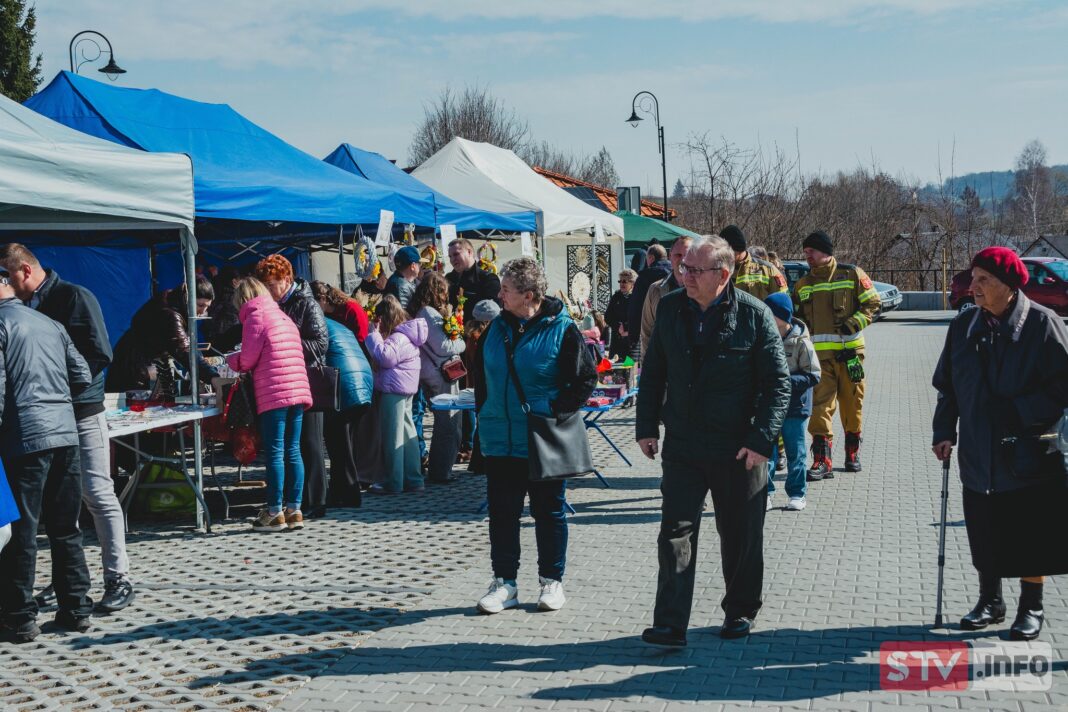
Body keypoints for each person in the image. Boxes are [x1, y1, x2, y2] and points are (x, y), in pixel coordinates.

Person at [636, 236, 790, 646]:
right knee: (675, 533)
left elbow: (778, 386)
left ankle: (740, 610)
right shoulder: (670, 308)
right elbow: (652, 373)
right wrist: (646, 426)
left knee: (740, 535)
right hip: (684, 444)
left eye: (694, 270)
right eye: (683, 267)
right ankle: (670, 623)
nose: (684, 274)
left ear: (723, 275)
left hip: (739, 448)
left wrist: (761, 440)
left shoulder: (755, 315)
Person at [932, 247, 1068, 641]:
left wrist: (1019, 411)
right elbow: (947, 386)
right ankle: (990, 601)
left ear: (1009, 286)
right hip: (977, 449)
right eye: (973, 278)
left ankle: (1032, 606)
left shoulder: (1042, 325)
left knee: (1029, 532)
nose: (972, 287)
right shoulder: (963, 327)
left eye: (983, 280)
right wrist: (944, 431)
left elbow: (1062, 386)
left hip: (1027, 451)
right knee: (984, 528)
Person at [0, 244, 135, 613]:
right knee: (57, 507)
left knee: (96, 491)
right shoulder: (25, 308)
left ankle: (118, 575)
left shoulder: (74, 296)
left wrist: (61, 388)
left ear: (24, 270)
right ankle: (65, 585)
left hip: (82, 409)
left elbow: (99, 354)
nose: (3, 284)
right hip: (50, 415)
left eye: (5, 276)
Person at [473, 257, 597, 614]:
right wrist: (487, 413)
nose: (500, 295)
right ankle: (504, 584)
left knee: (549, 511)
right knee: (502, 513)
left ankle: (551, 581)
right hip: (500, 437)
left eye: (506, 290)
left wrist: (552, 407)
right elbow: (483, 379)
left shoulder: (561, 328)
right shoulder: (497, 328)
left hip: (541, 437)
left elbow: (585, 380)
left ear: (529, 295)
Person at [0, 272, 93, 643]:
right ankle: (76, 608)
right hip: (64, 433)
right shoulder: (49, 322)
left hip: (25, 437)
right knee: (65, 526)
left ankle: (20, 617)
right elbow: (82, 375)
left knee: (22, 530)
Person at [791, 231, 880, 479]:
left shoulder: (852, 274)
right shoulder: (802, 285)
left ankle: (852, 453)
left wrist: (855, 323)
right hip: (819, 361)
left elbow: (873, 304)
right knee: (820, 408)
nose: (807, 255)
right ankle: (822, 460)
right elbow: (797, 320)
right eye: (806, 252)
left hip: (851, 356)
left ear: (826, 251)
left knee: (853, 406)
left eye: (812, 251)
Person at [226, 278, 312, 532]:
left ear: (242, 299)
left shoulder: (255, 317)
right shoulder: (282, 316)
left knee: (275, 451)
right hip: (298, 389)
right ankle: (294, 509)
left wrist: (231, 360)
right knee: (293, 450)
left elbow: (248, 359)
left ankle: (274, 511)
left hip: (274, 392)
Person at [254, 255, 331, 519]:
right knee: (292, 446)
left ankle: (315, 501)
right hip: (287, 381)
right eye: (264, 285)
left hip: (305, 381)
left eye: (272, 284)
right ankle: (294, 502)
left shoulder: (307, 303)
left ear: (287, 280)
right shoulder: (273, 306)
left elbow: (321, 344)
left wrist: (286, 346)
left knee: (309, 443)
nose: (269, 290)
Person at [106, 278, 219, 393]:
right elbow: (184, 350)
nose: (202, 311)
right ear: (187, 298)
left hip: (136, 365)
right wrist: (212, 377)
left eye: (207, 307)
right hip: (134, 370)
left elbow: (186, 345)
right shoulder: (170, 314)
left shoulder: (172, 300)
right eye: (200, 305)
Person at [764, 292, 821, 512]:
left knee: (796, 452)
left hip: (795, 407)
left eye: (770, 312)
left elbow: (813, 375)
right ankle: (765, 493)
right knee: (767, 452)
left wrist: (784, 381)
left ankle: (797, 493)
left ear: (782, 316)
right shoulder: (764, 337)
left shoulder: (801, 342)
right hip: (769, 406)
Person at [365, 295, 428, 494]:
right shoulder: (407, 335)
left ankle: (393, 481)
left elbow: (385, 358)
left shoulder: (398, 337)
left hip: (393, 390)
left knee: (392, 435)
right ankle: (413, 479)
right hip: (405, 388)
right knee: (407, 433)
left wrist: (372, 335)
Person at [409, 272, 466, 485]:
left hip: (433, 371)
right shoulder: (428, 313)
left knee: (447, 423)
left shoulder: (421, 312)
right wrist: (461, 342)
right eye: (443, 291)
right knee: (449, 423)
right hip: (440, 372)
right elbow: (443, 346)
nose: (446, 295)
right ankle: (441, 472)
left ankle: (441, 469)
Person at [321, 314, 374, 508]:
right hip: (361, 381)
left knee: (339, 445)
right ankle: (340, 492)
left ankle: (350, 494)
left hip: (345, 386)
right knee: (344, 443)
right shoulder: (335, 324)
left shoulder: (314, 323)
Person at [640, 236, 694, 358]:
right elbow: (646, 332)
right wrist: (649, 366)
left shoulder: (704, 288)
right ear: (670, 256)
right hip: (665, 366)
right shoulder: (655, 289)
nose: (683, 260)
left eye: (687, 255)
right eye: (678, 255)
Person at [719, 225, 788, 301]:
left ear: (736, 249)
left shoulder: (767, 270)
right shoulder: (718, 270)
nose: (723, 256)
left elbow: (783, 302)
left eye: (725, 252)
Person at [446, 238, 502, 323]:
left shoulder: (488, 279)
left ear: (469, 252)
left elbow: (493, 314)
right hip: (452, 332)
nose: (452, 259)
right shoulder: (448, 279)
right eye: (450, 256)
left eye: (456, 254)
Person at [626, 244, 671, 346]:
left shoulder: (644, 277)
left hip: (651, 329)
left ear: (651, 258)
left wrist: (633, 336)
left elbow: (635, 306)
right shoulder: (677, 274)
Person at [605, 269, 637, 359]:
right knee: (616, 368)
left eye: (624, 281)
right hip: (617, 340)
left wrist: (627, 330)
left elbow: (640, 318)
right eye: (620, 281)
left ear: (632, 283)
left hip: (632, 340)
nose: (621, 284)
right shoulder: (616, 297)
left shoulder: (636, 298)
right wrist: (618, 326)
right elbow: (607, 317)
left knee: (631, 368)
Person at [384, 245, 421, 312]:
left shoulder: (399, 280)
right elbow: (404, 316)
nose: (420, 267)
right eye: (419, 264)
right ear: (413, 266)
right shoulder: (401, 287)